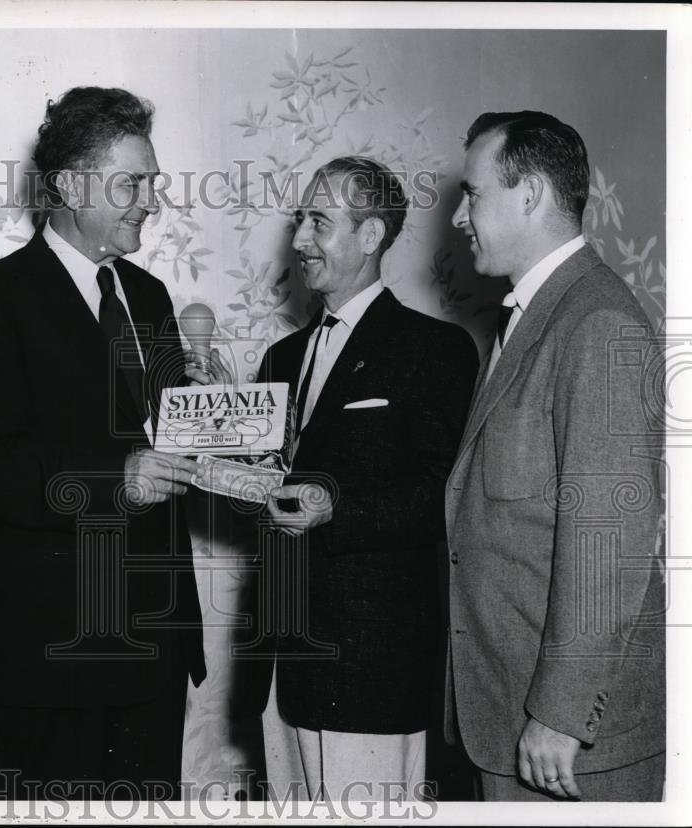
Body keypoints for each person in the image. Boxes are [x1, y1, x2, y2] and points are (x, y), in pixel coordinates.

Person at [0, 86, 211, 801]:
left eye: (151, 182)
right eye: (131, 183)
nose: (149, 199)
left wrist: (221, 424)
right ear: (66, 185)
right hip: (55, 655)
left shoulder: (147, 296)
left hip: (155, 646)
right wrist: (114, 480)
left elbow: (170, 441)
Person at [446, 111, 665, 801]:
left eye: (472, 194)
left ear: (530, 194)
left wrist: (562, 714)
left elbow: (609, 542)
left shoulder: (594, 323)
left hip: (565, 748)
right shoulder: (532, 317)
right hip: (507, 712)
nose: (458, 217)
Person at [255, 156, 479, 801]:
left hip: (373, 663)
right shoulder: (281, 356)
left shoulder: (433, 350)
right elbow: (271, 488)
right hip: (282, 660)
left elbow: (446, 492)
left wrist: (337, 508)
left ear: (373, 235)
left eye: (319, 223)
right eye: (301, 220)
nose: (299, 240)